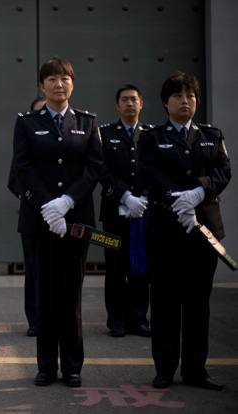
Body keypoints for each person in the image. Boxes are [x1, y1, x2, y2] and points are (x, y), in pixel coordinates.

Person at [11, 58, 103, 387]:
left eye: (65, 78)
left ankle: (73, 366)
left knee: (71, 296)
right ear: (42, 85)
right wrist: (48, 207)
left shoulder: (88, 123)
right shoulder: (26, 123)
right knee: (45, 295)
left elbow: (95, 167)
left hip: (75, 222)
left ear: (72, 84)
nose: (58, 84)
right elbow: (23, 168)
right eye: (51, 79)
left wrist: (68, 201)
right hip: (40, 223)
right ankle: (47, 366)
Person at [138, 72, 231, 391]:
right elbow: (148, 172)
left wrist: (199, 192)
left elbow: (224, 171)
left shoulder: (212, 135)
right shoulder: (151, 137)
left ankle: (195, 369)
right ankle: (164, 369)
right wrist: (178, 198)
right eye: (177, 96)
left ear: (197, 101)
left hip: (203, 232)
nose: (185, 101)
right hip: (165, 231)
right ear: (166, 102)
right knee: (164, 302)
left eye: (190, 96)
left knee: (197, 304)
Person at [99, 85, 152, 338]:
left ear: (141, 103)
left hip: (144, 212)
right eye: (124, 100)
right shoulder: (105, 134)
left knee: (141, 267)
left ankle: (138, 319)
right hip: (114, 213)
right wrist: (125, 196)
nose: (129, 103)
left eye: (134, 99)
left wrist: (144, 196)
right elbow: (101, 169)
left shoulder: (152, 135)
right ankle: (116, 320)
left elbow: (158, 169)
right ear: (117, 105)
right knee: (115, 268)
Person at [8, 96, 46, 337]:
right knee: (34, 272)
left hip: (63, 216)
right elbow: (14, 181)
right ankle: (35, 320)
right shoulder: (26, 139)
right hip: (33, 216)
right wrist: (35, 200)